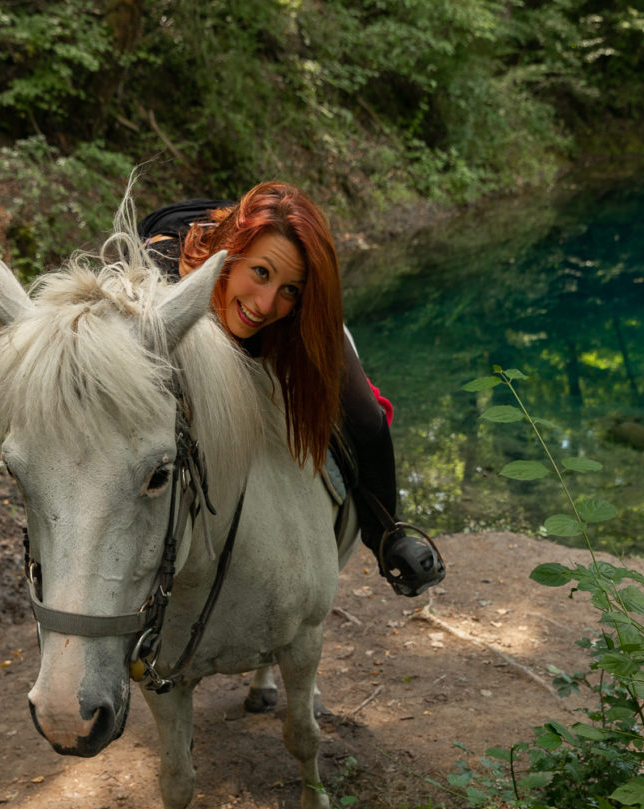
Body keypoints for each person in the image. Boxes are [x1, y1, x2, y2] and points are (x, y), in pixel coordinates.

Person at [137, 183, 444, 597]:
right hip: (190, 273)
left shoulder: (295, 318)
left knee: (366, 416)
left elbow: (363, 418)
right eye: (261, 273)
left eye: (289, 290)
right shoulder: (161, 271)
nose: (265, 305)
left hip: (284, 337)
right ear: (232, 257)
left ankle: (388, 535)